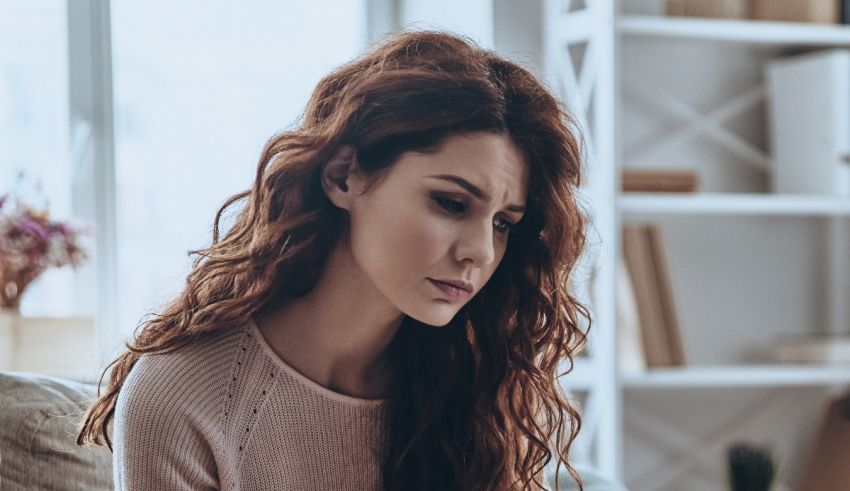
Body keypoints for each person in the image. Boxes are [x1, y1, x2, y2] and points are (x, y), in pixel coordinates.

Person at [76, 29, 598, 490]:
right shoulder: (185, 396)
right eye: (451, 203)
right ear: (342, 176)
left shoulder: (472, 389)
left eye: (503, 223)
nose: (480, 252)